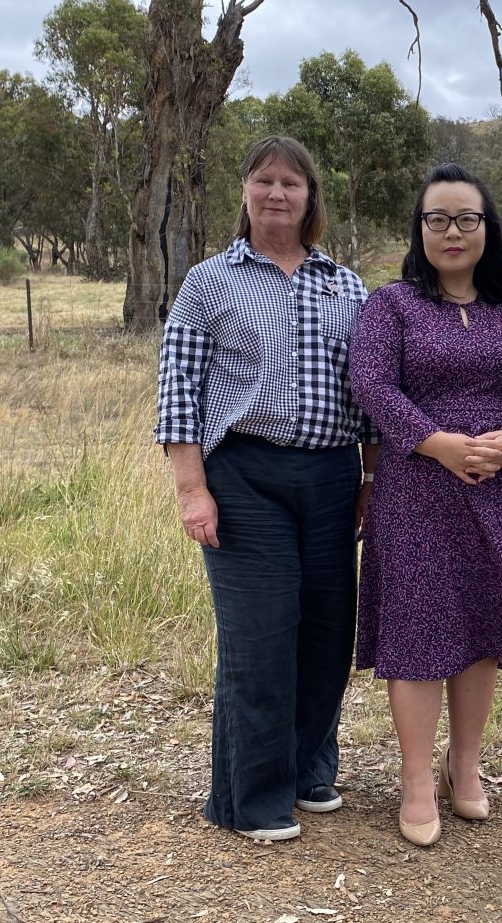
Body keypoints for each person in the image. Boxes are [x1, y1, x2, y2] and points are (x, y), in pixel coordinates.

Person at [154, 136, 380, 842]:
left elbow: (371, 393)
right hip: (244, 476)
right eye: (264, 181)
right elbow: (177, 393)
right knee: (261, 636)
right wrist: (193, 490)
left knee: (324, 631)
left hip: (333, 473)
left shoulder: (346, 286)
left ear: (310, 197)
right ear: (245, 191)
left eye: (291, 183)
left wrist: (372, 478)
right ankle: (250, 798)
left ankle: (308, 768)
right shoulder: (208, 282)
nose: (277, 194)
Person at [349, 163, 502, 848]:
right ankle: (413, 781)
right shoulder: (392, 305)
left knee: (482, 625)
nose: (453, 231)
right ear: (420, 229)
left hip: (499, 487)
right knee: (417, 631)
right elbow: (372, 385)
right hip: (417, 489)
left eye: (467, 218)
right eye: (437, 219)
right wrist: (436, 443)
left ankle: (464, 768)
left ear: (488, 229)